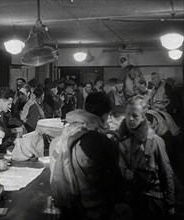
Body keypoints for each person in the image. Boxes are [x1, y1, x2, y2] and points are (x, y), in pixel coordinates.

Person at [50, 92, 127, 220]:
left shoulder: (68, 131)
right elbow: (114, 182)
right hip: (92, 210)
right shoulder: (99, 139)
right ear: (106, 115)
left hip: (69, 206)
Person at [118, 95, 175, 219]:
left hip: (152, 199)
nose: (130, 119)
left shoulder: (155, 141)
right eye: (128, 115)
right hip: (131, 199)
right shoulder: (122, 141)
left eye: (135, 115)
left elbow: (167, 173)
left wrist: (170, 204)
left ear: (143, 117)